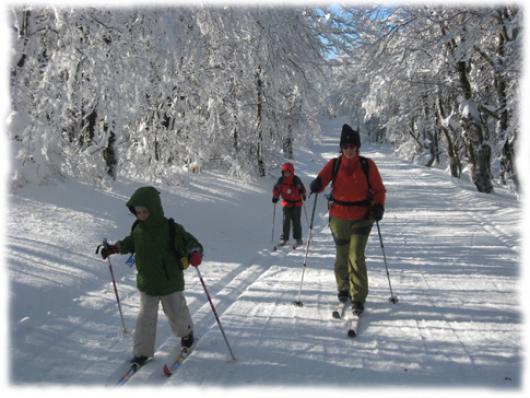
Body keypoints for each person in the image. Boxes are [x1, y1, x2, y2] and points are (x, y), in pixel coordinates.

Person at [100, 186, 203, 366]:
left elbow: (189, 241)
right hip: (147, 283)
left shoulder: (171, 228)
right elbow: (129, 243)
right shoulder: (138, 230)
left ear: (154, 209)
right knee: (145, 319)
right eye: (137, 212)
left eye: (144, 211)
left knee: (176, 314)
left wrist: (195, 252)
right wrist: (114, 248)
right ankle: (142, 352)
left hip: (170, 282)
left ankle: (186, 333)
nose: (141, 215)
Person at [310, 124, 386, 315]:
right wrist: (316, 184)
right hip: (338, 218)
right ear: (341, 147)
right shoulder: (334, 165)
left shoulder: (367, 165)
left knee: (355, 255)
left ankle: (358, 297)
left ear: (357, 147)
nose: (349, 149)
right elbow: (321, 181)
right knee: (342, 256)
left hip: (362, 217)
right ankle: (343, 289)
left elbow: (379, 190)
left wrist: (378, 205)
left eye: (352, 146)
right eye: (346, 146)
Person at [272, 162, 307, 246]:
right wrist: (275, 197)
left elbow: (302, 189)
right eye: (284, 172)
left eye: (288, 172)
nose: (286, 173)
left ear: (291, 171)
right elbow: (276, 189)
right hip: (286, 203)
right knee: (285, 221)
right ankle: (284, 239)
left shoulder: (296, 180)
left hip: (297, 204)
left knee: (296, 222)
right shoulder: (281, 180)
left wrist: (303, 194)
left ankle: (298, 239)